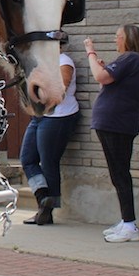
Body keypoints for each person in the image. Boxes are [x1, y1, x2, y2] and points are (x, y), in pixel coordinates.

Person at [84, 24, 139, 243]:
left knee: (120, 173)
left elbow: (100, 77)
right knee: (118, 173)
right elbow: (110, 79)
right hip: (114, 123)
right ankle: (126, 220)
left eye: (118, 37)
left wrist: (90, 52)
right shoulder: (130, 60)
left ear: (128, 39)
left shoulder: (130, 58)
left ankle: (130, 225)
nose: (115, 40)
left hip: (116, 124)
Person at [20, 49, 80, 225]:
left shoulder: (64, 61)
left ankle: (47, 210)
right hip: (39, 116)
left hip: (58, 117)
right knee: (27, 159)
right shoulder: (39, 63)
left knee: (48, 163)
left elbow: (60, 90)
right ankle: (43, 198)